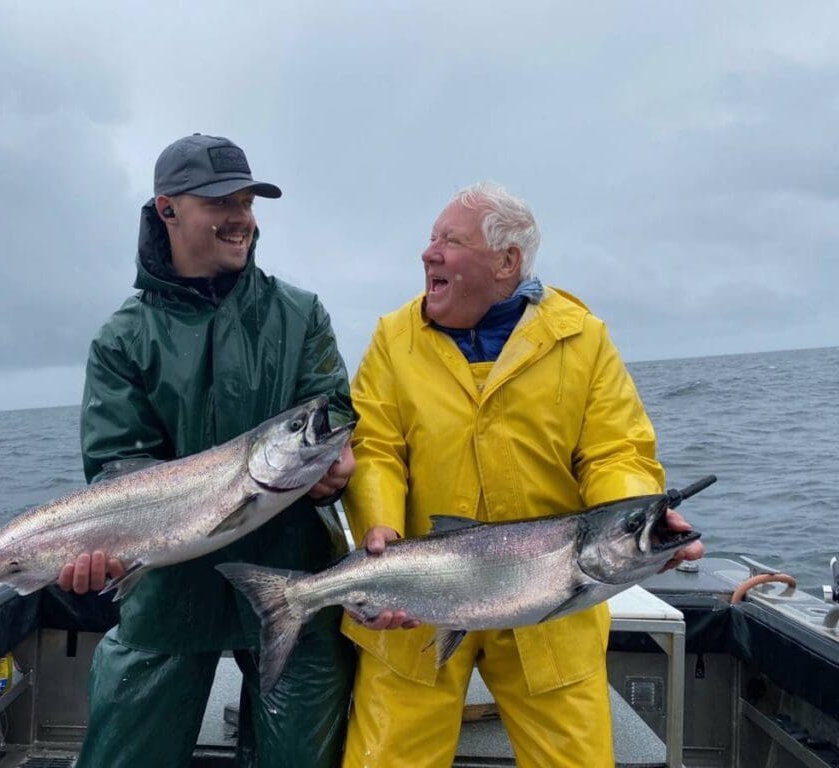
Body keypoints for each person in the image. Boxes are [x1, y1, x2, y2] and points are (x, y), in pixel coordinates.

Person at [340, 181, 704, 768]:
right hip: (419, 598)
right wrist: (380, 527)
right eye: (431, 238)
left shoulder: (582, 339)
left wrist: (640, 519)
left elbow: (616, 451)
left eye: (449, 241)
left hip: (552, 599)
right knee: (388, 757)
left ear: (507, 262)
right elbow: (376, 447)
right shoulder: (392, 339)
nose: (428, 253)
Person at [60, 134, 356, 768]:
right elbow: (119, 463)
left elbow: (333, 411)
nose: (241, 216)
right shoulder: (123, 339)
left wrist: (337, 459)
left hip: (294, 582)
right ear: (167, 210)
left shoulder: (301, 315)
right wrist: (109, 542)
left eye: (248, 200)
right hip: (167, 595)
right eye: (221, 200)